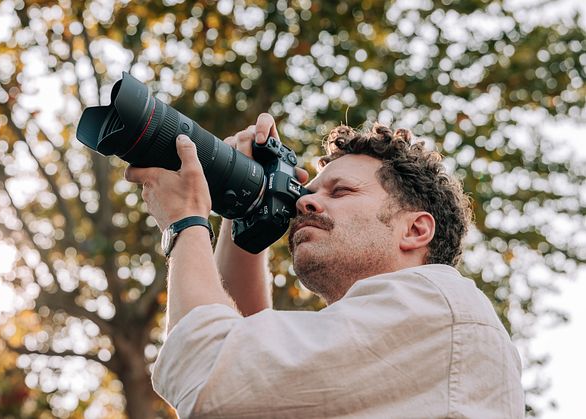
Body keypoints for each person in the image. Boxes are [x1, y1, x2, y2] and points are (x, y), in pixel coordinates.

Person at [124, 113, 524, 418]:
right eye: (307, 192)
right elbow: (253, 359)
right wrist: (243, 207)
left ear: (416, 230)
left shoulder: (439, 304)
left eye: (342, 191)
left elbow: (211, 368)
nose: (305, 203)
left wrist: (186, 220)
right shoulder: (398, 340)